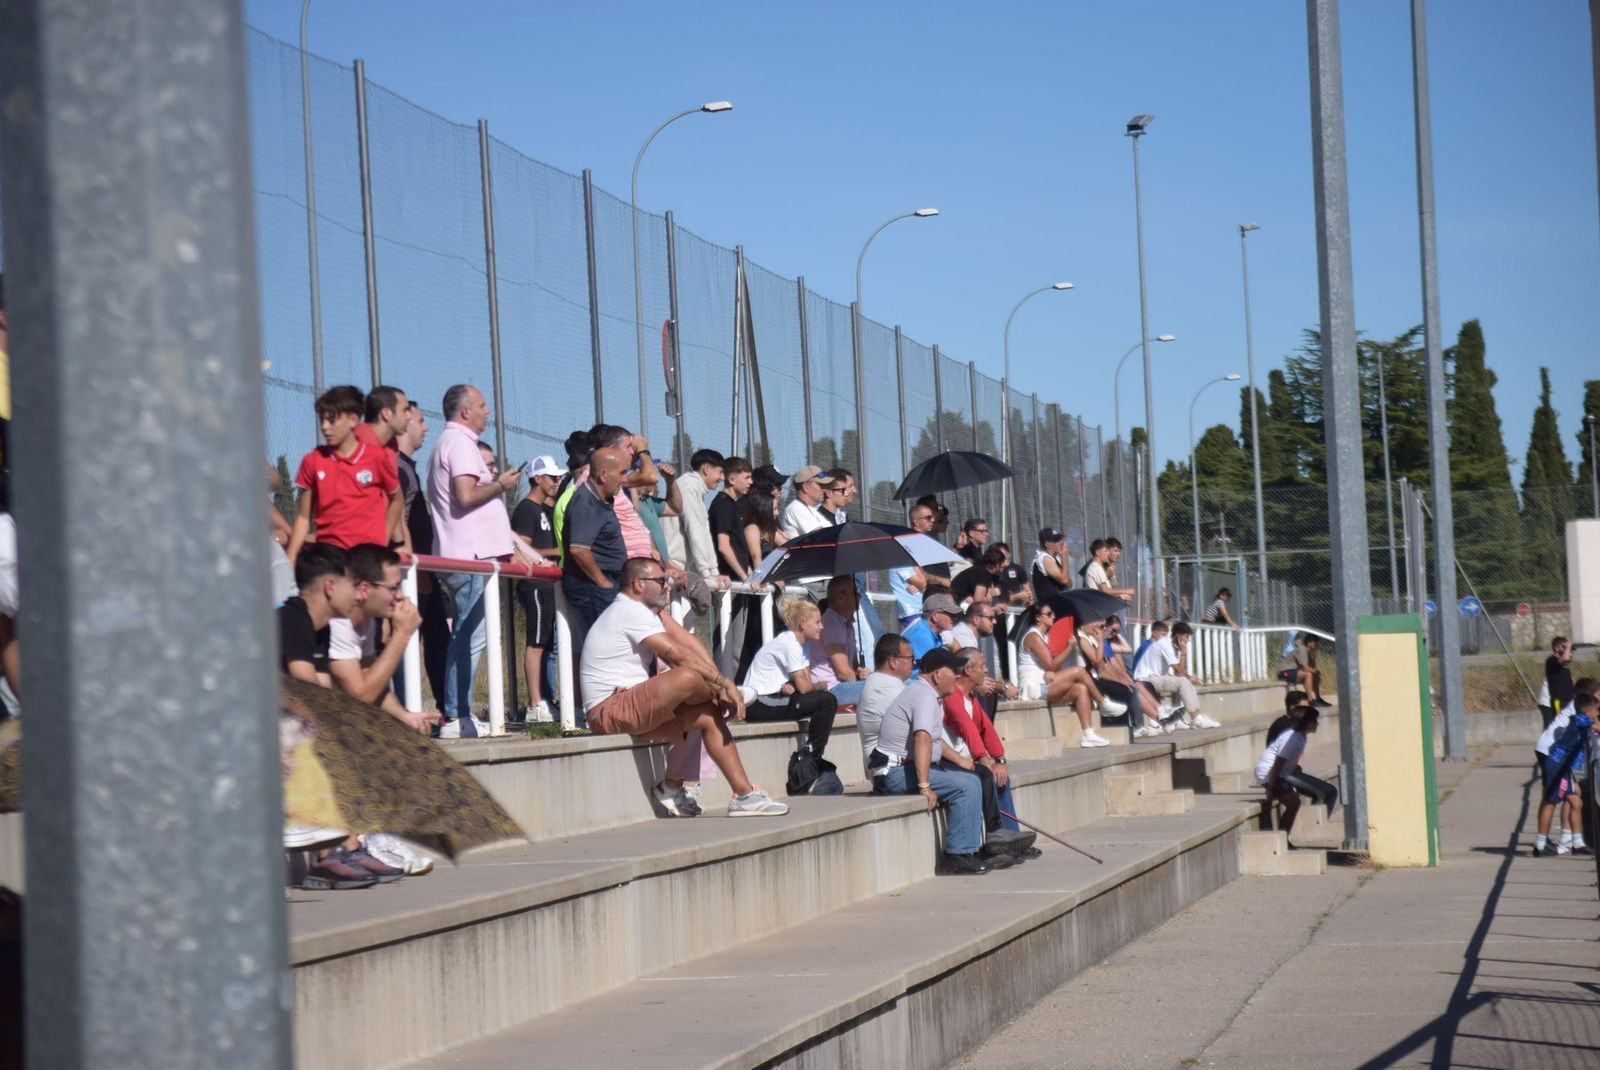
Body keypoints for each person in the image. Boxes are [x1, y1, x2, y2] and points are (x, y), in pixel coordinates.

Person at [579, 557, 789, 817]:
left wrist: (720, 684)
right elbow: (677, 655)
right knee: (687, 677)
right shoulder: (628, 610)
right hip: (608, 711)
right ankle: (722, 696)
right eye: (660, 581)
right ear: (638, 584)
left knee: (708, 715)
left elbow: (688, 644)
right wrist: (723, 685)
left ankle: (741, 795)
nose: (667, 585)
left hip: (629, 706)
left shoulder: (648, 611)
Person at [426, 384, 532, 735]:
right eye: (483, 405)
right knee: (469, 638)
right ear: (465, 411)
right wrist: (501, 485)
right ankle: (456, 715)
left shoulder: (452, 443)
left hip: (469, 555)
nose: (488, 411)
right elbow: (466, 495)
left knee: (470, 637)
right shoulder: (459, 444)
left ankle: (458, 713)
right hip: (469, 557)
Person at [867, 648, 992, 875]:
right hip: (892, 774)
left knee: (972, 777)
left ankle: (971, 851)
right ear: (936, 675)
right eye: (952, 671)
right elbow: (922, 739)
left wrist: (960, 761)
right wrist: (924, 786)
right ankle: (956, 856)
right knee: (966, 786)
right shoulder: (924, 696)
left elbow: (934, 739)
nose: (957, 676)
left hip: (901, 769)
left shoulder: (928, 694)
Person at [287, 385, 402, 565]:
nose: (325, 427)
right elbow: (303, 516)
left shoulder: (376, 457)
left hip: (366, 559)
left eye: (331, 420)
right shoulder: (312, 461)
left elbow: (397, 500)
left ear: (353, 420)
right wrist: (292, 556)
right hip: (330, 558)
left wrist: (381, 543)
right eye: (322, 420)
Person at [327, 544, 433, 734]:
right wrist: (402, 634)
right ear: (364, 589)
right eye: (393, 588)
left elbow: (371, 679)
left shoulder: (366, 620)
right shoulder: (337, 623)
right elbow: (361, 695)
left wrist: (404, 716)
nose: (400, 596)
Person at [740, 597, 840, 791]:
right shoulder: (789, 643)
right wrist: (818, 685)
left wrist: (796, 684)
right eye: (817, 622)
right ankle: (811, 756)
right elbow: (806, 687)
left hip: (774, 698)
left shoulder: (803, 645)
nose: (821, 627)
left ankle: (812, 754)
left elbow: (804, 683)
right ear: (803, 624)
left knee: (825, 700)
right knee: (826, 701)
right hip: (760, 704)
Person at [943, 647, 1036, 846]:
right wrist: (983, 760)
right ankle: (995, 836)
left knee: (1001, 777)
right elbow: (967, 728)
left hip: (966, 759)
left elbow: (986, 729)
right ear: (968, 670)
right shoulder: (952, 695)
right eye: (982, 665)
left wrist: (1000, 760)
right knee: (987, 775)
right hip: (948, 761)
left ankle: (1012, 837)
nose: (986, 670)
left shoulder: (970, 698)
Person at [562, 446, 630, 678]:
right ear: (602, 475)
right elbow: (579, 550)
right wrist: (603, 582)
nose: (625, 479)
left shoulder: (599, 499)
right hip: (594, 588)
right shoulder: (586, 503)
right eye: (622, 473)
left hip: (604, 584)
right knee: (605, 650)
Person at [1016, 603, 1118, 747]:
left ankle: (1088, 734)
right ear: (1038, 618)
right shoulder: (1033, 636)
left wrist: (1052, 668)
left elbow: (1052, 665)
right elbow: (1051, 664)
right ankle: (1102, 703)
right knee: (1078, 671)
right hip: (1034, 687)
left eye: (1053, 613)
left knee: (1081, 688)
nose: (1053, 616)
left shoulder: (1045, 636)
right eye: (1049, 614)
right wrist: (1069, 647)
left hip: (1044, 682)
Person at [513, 456, 565, 723]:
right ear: (537, 479)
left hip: (548, 585)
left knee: (547, 644)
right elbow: (521, 546)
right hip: (534, 585)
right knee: (536, 643)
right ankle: (534, 704)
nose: (557, 482)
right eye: (553, 477)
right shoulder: (526, 509)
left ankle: (545, 698)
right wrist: (556, 552)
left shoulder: (546, 509)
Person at [1532, 679, 1597, 856]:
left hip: (1559, 760)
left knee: (1574, 796)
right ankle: (1542, 844)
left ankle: (1574, 840)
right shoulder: (1580, 716)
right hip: (1554, 759)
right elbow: (1592, 724)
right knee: (1552, 800)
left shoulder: (1580, 711)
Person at [1255, 706, 1337, 835]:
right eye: (1314, 721)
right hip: (1268, 773)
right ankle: (1283, 837)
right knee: (1294, 803)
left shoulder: (1300, 737)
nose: (1317, 724)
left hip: (1280, 774)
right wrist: (1270, 790)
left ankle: (1284, 836)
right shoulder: (1291, 739)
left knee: (1295, 802)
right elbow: (1277, 764)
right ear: (1306, 722)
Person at [1077, 618, 1162, 738]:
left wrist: (1123, 679)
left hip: (1096, 676)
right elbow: (1098, 663)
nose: (1098, 627)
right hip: (1090, 678)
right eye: (1098, 625)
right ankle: (1133, 726)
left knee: (1130, 686)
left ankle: (1150, 719)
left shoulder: (1093, 639)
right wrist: (1100, 641)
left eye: (1101, 626)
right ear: (1083, 624)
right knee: (1123, 689)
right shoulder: (1084, 639)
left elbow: (1106, 665)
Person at [1134, 621, 1221, 730]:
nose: (1187, 640)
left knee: (1186, 681)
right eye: (1186, 637)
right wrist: (1183, 651)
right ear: (1178, 636)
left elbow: (1178, 673)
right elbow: (1179, 671)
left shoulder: (1171, 646)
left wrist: (1189, 677)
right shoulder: (1165, 644)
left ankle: (1185, 718)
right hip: (1145, 680)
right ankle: (1195, 717)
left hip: (1153, 678)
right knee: (1182, 681)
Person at [807, 576, 871, 707]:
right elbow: (844, 672)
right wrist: (868, 683)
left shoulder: (846, 623)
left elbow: (852, 668)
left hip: (841, 685)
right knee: (885, 688)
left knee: (896, 684)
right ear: (841, 597)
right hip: (830, 690)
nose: (859, 596)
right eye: (855, 592)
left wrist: (861, 672)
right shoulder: (831, 623)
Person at [856, 633, 913, 776]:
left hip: (897, 765)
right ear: (893, 662)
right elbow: (921, 730)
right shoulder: (885, 689)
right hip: (890, 771)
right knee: (961, 783)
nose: (914, 663)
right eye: (910, 658)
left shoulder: (887, 683)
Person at [671, 448, 725, 587]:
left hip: (683, 567)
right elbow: (694, 530)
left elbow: (704, 534)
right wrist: (706, 573)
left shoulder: (696, 489)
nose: (722, 478)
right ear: (706, 469)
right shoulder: (688, 487)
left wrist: (714, 571)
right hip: (673, 566)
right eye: (720, 472)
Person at [889, 501, 937, 626]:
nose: (932, 521)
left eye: (932, 517)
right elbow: (922, 582)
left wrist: (922, 582)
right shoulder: (905, 545)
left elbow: (923, 582)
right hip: (910, 611)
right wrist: (922, 581)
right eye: (928, 518)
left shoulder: (922, 545)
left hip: (920, 608)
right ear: (916, 522)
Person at [779, 465, 835, 540]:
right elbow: (823, 537)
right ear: (806, 486)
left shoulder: (811, 509)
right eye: (821, 485)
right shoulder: (796, 508)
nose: (825, 489)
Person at [1278, 634, 1332, 708]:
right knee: (1308, 674)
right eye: (1314, 642)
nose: (1316, 644)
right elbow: (1306, 668)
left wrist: (1314, 655)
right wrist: (1314, 671)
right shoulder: (1302, 650)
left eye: (1317, 642)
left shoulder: (1309, 653)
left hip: (1294, 672)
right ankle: (1310, 700)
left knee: (1315, 675)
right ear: (1308, 643)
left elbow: (1312, 667)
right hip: (1285, 672)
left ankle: (1318, 698)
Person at [904, 592, 961, 661]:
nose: (954, 618)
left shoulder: (931, 632)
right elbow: (929, 667)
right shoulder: (921, 635)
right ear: (935, 616)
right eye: (950, 614)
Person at [1030, 527, 1072, 600]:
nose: (1061, 543)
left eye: (1060, 539)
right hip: (1049, 604)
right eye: (1056, 541)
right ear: (1047, 544)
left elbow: (1069, 584)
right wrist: (1064, 557)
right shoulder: (1045, 558)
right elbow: (1065, 580)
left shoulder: (1055, 559)